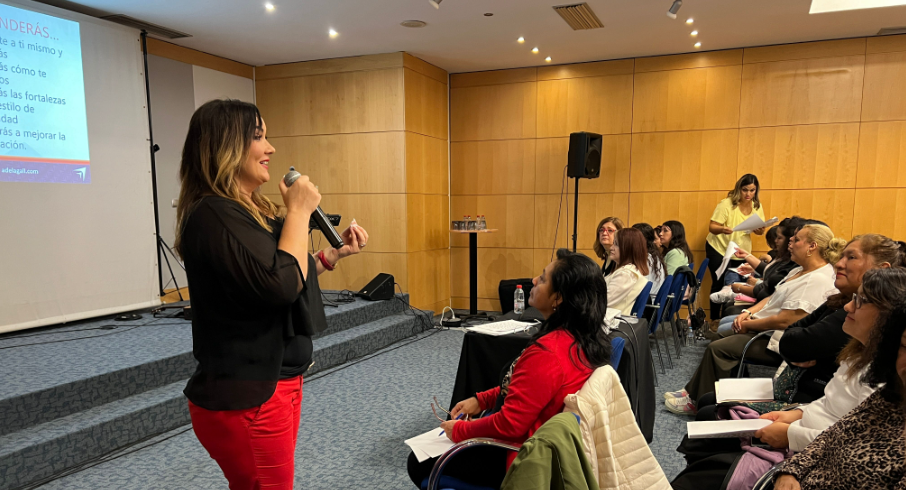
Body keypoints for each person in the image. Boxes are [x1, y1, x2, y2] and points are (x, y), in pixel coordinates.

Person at [175, 99, 369, 490]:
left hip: (277, 382)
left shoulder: (248, 208)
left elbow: (283, 274)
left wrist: (332, 255)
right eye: (259, 137)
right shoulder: (214, 215)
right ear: (226, 146)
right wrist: (297, 212)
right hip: (249, 394)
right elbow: (279, 284)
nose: (271, 148)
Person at [406, 249, 611, 489]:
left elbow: (511, 424)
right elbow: (530, 391)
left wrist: (461, 430)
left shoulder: (549, 353)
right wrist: (481, 400)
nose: (534, 281)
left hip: (520, 455)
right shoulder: (581, 338)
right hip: (538, 441)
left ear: (558, 298)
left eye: (543, 279)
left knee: (416, 462)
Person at [664, 224, 844, 415]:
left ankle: (695, 401)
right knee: (720, 337)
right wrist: (748, 313)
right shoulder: (800, 271)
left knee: (718, 348)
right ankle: (703, 392)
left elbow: (786, 320)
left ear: (812, 246)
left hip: (775, 339)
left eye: (797, 239)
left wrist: (748, 324)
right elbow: (772, 298)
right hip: (763, 328)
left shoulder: (817, 279)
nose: (791, 243)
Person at [772, 297, 906, 489]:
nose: (847, 307)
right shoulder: (888, 396)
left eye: (862, 300)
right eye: (905, 346)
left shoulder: (878, 379)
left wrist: (791, 434)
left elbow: (796, 343)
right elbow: (833, 437)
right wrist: (791, 471)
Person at [704, 174, 767, 328]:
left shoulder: (756, 206)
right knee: (719, 283)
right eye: (745, 190)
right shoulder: (727, 204)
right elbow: (712, 227)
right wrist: (722, 228)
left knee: (736, 284)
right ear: (739, 188)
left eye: (752, 190)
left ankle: (728, 318)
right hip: (719, 248)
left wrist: (760, 229)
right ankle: (714, 320)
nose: (748, 194)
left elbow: (760, 232)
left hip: (740, 250)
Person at [711, 217, 802, 307]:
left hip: (767, 301)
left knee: (729, 313)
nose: (775, 241)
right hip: (765, 300)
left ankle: (729, 291)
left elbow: (768, 291)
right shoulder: (782, 256)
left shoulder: (793, 262)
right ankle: (728, 290)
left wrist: (740, 288)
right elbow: (769, 272)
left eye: (779, 238)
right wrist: (747, 256)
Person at [605, 228, 651, 316]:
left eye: (616, 244)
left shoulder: (626, 274)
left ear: (629, 249)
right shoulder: (628, 270)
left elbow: (603, 302)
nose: (611, 247)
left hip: (609, 321)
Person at [633, 223, 666, 298]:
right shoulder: (653, 256)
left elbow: (639, 289)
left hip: (647, 304)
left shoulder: (645, 259)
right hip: (650, 301)